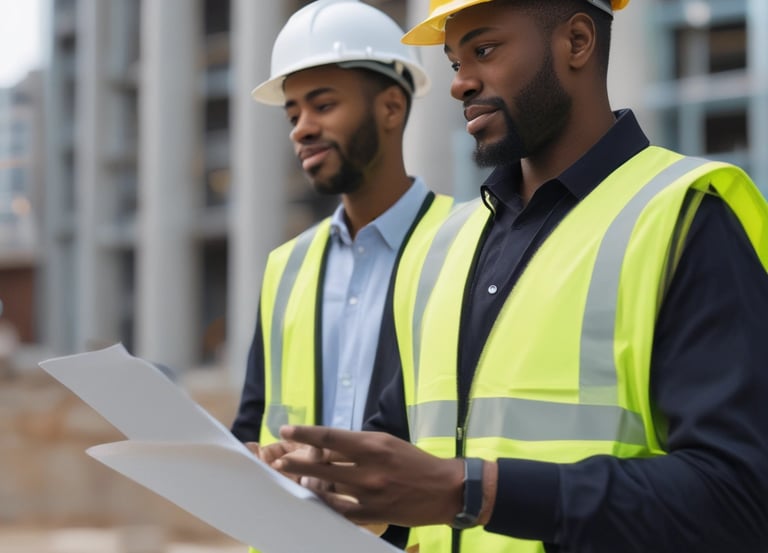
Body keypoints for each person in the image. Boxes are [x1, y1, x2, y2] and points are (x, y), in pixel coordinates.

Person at [259, 1, 768, 552]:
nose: (460, 84)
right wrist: (334, 481)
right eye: (455, 64)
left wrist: (474, 492)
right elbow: (407, 473)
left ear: (576, 42)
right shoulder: (442, 249)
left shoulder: (685, 217)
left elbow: (740, 500)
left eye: (484, 50)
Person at [229, 0, 452, 547]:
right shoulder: (286, 267)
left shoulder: (467, 244)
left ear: (391, 107)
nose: (301, 129)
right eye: (292, 115)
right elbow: (252, 424)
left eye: (323, 105)